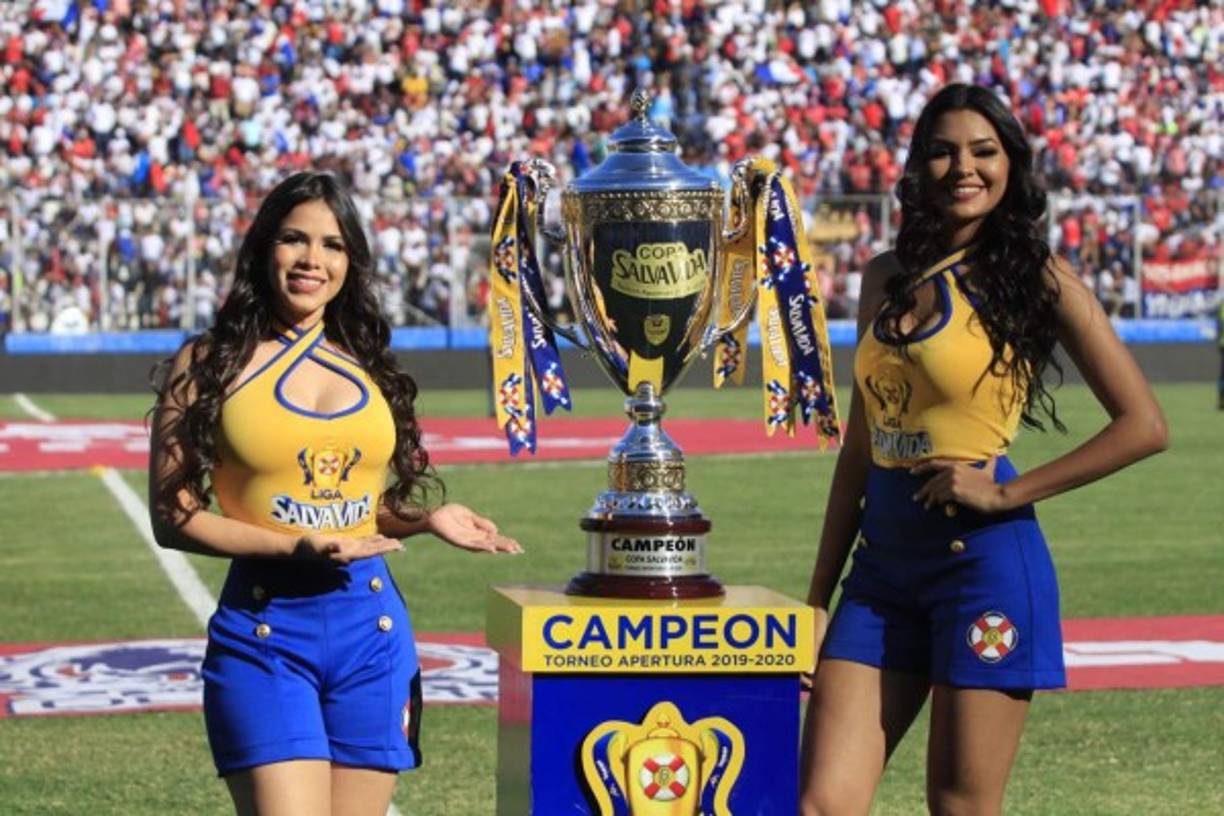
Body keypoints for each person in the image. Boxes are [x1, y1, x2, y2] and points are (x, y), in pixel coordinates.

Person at [799, 84, 1168, 816]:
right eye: (942, 151)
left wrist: (1004, 492)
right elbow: (859, 453)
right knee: (822, 804)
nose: (963, 168)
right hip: (879, 575)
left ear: (1011, 165)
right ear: (917, 167)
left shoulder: (1037, 277)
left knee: (960, 806)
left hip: (985, 571)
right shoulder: (884, 277)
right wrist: (817, 598)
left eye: (982, 151)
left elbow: (1144, 424)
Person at [148, 171, 521, 816]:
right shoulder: (205, 362)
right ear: (265, 247)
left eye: (333, 245)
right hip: (264, 633)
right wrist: (295, 545)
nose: (312, 260)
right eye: (295, 239)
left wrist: (428, 518)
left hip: (372, 633)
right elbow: (172, 516)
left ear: (351, 261)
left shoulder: (368, 362)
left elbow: (355, 514)